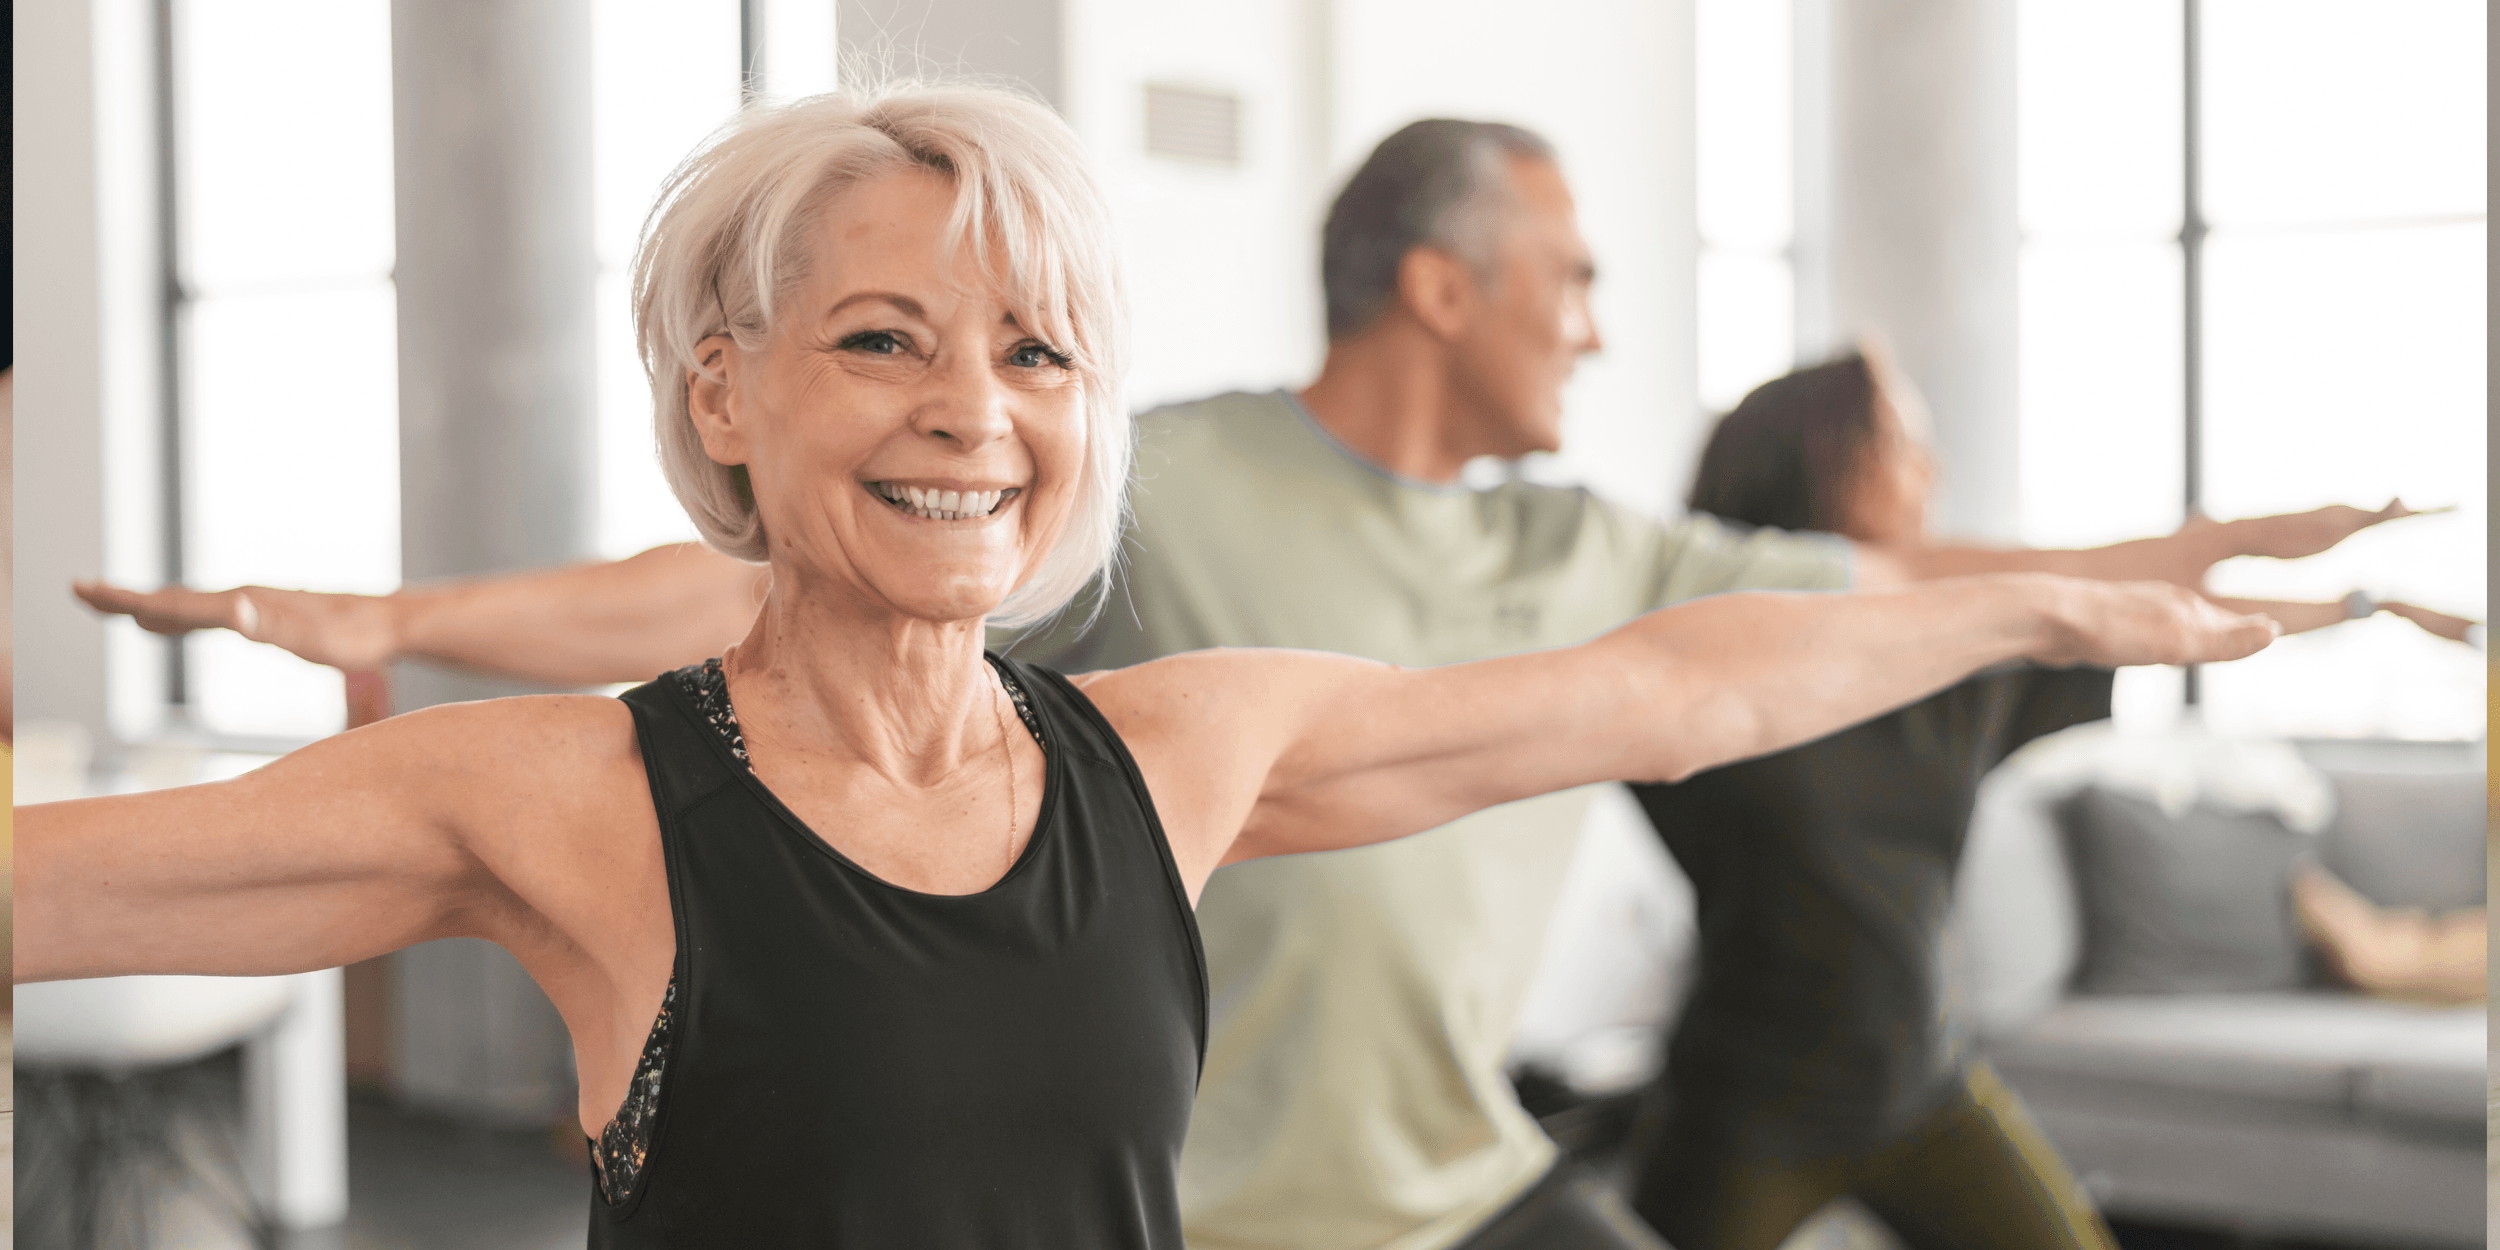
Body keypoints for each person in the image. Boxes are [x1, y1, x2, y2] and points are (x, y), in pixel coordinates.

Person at [71, 117, 2415, 1248]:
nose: (969, 407)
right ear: (724, 396)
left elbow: (1667, 683)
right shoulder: (577, 799)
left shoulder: (1174, 747)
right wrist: (392, 627)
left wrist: (2036, 609)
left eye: (1035, 348)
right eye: (878, 339)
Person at [1620, 349, 2478, 1250]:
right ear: (1821, 465)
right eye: (1905, 447)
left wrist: (2365, 606)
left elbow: (2155, 609)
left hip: (1925, 1088)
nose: (1932, 474)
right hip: (1749, 1106)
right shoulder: (1695, 674)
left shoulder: (1954, 670)